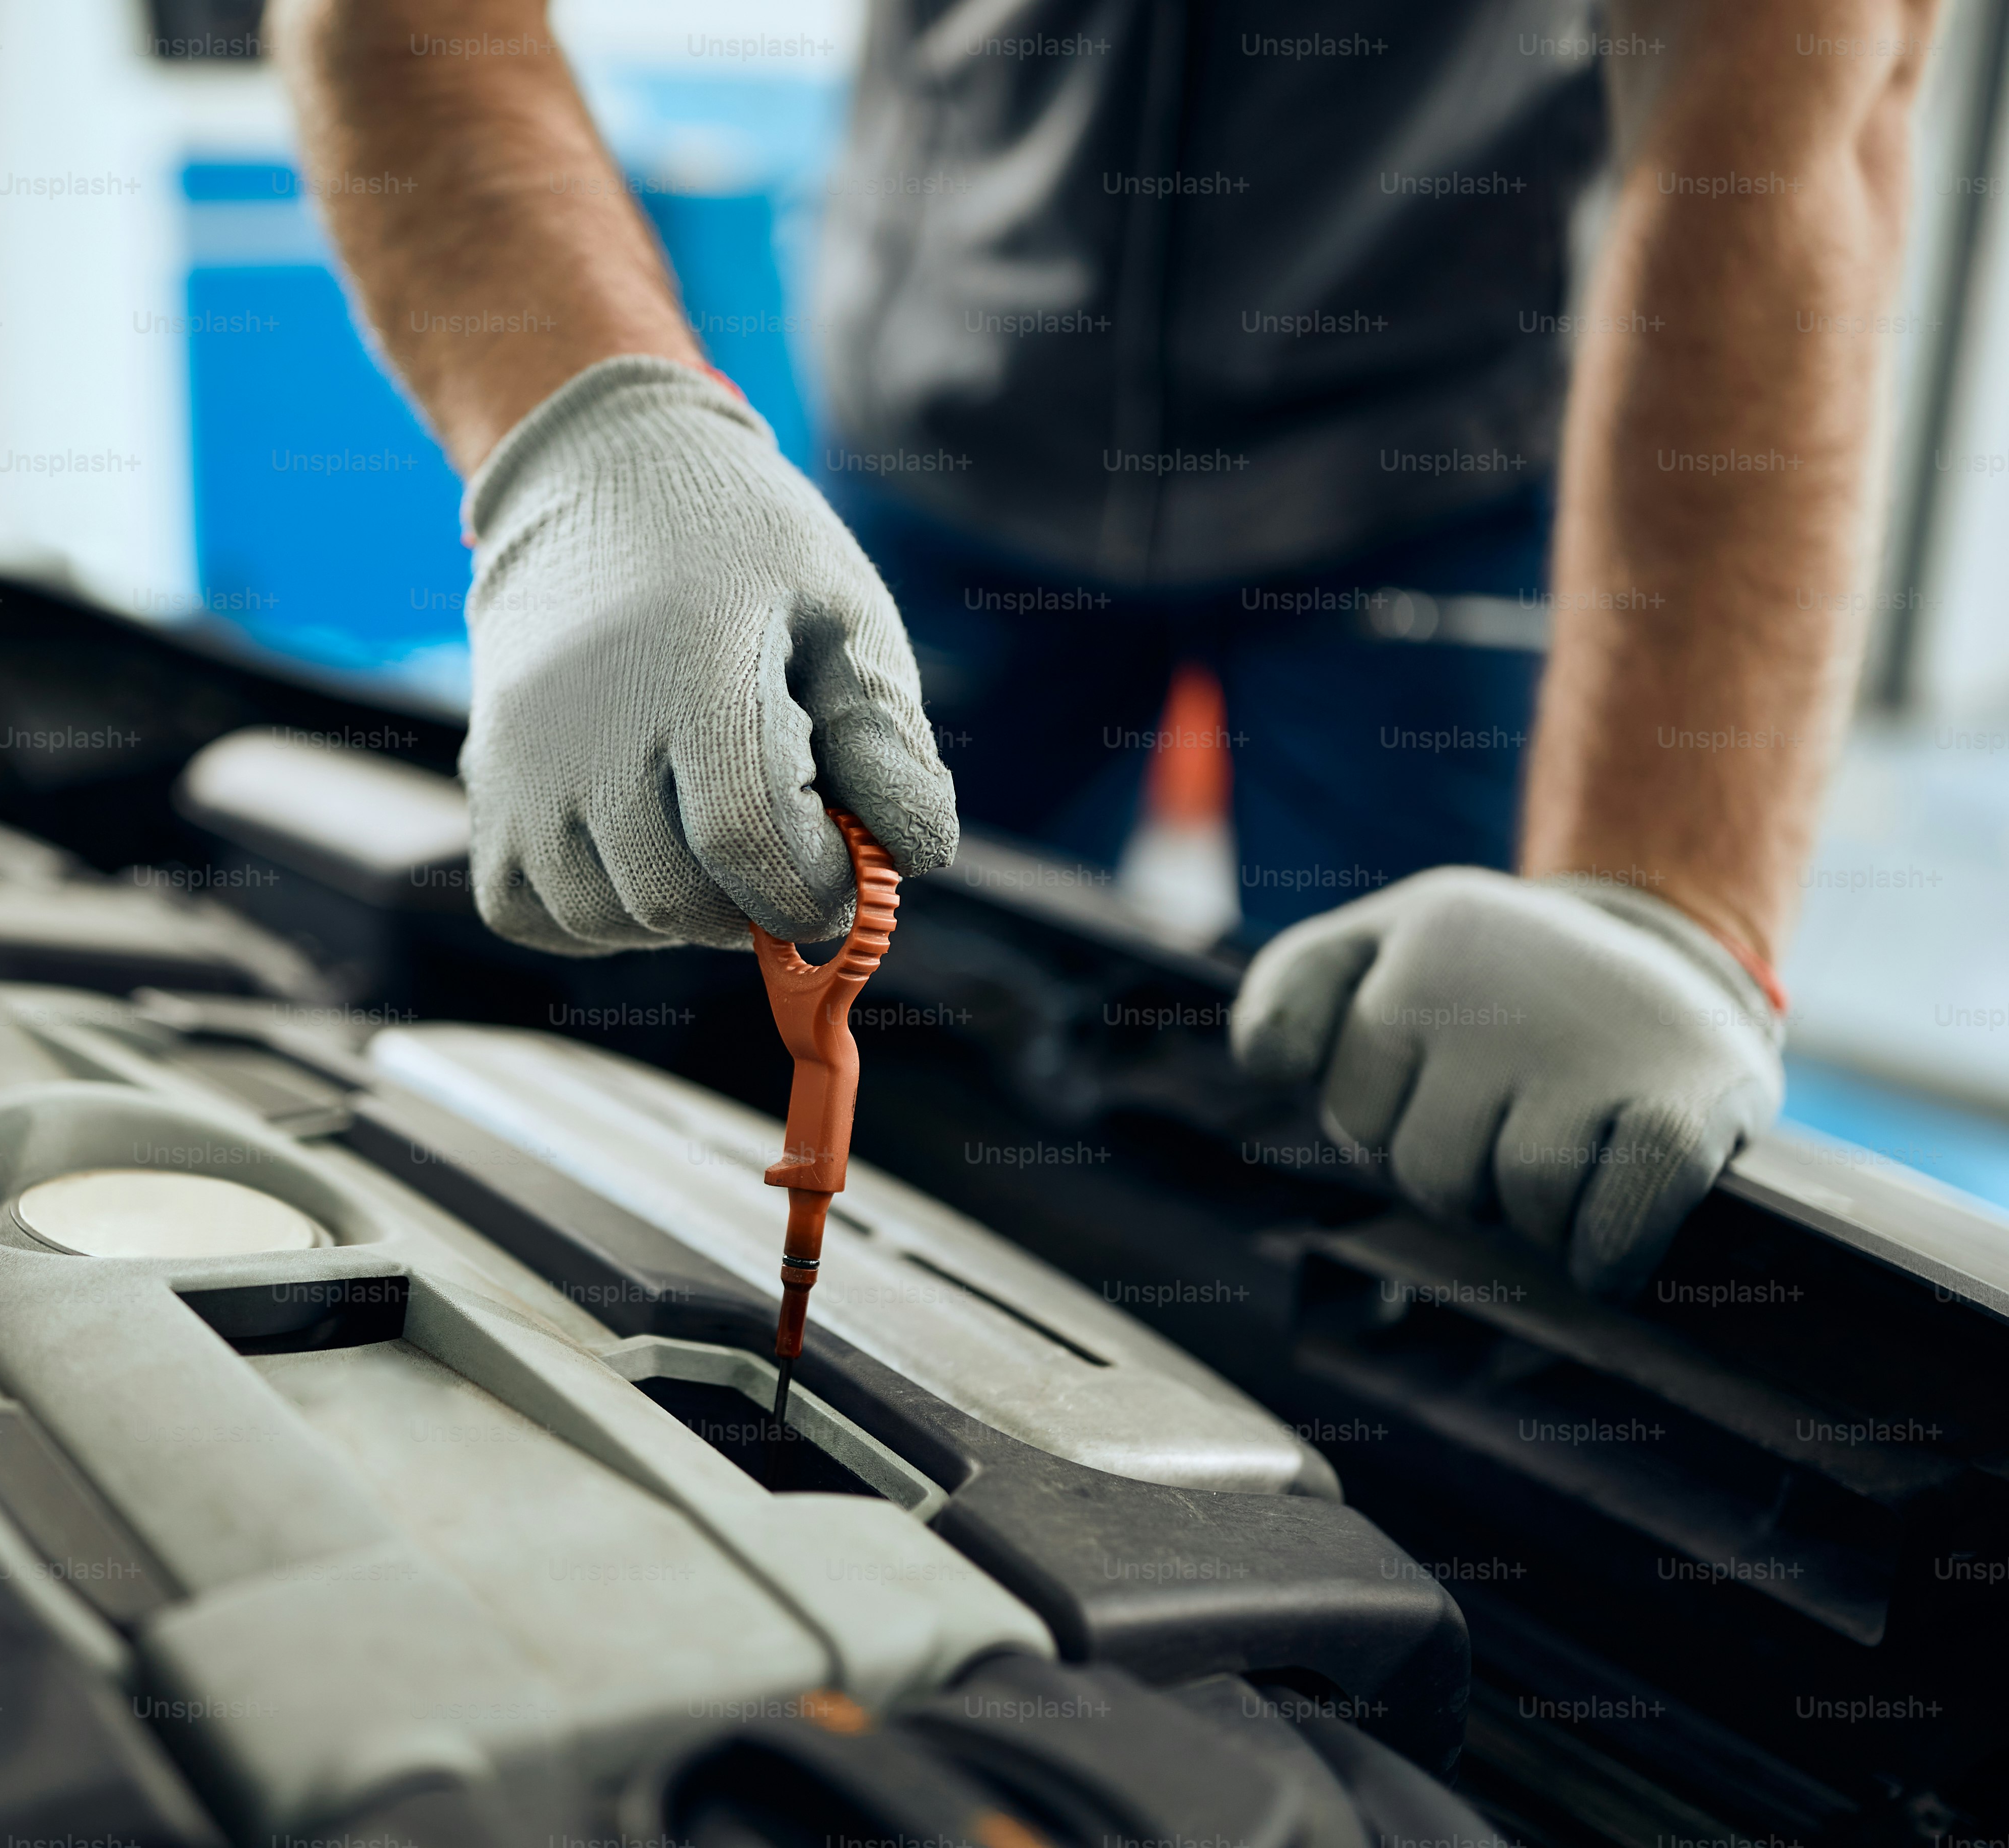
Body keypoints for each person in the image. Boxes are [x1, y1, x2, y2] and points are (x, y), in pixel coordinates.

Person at [267, 0, 1936, 1294]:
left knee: (1466, 1146)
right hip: (952, 437)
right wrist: (584, 442)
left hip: (1440, 458)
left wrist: (1668, 893)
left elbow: (1790, 104)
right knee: (821, 1026)